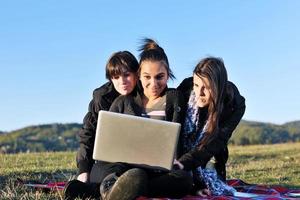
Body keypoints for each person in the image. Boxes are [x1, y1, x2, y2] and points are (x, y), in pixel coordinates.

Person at [95, 38, 193, 200]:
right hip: (123, 168)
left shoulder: (174, 98)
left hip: (159, 171)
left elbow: (179, 140)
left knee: (184, 180)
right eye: (147, 77)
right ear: (139, 75)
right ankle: (118, 187)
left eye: (159, 77)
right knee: (126, 173)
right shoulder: (124, 101)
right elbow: (109, 141)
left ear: (168, 75)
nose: (153, 84)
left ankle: (125, 190)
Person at [64, 50, 139, 200]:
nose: (122, 81)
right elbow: (88, 133)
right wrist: (84, 170)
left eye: (127, 75)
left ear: (137, 73)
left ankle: (97, 190)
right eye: (116, 77)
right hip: (110, 161)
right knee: (111, 173)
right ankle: (101, 189)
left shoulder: (147, 92)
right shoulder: (102, 97)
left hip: (139, 159)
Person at [175, 57, 246, 196]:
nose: (198, 93)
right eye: (196, 85)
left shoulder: (235, 105)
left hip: (209, 153)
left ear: (218, 86)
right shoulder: (185, 88)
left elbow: (217, 141)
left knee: (207, 182)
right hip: (179, 152)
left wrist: (184, 163)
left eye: (206, 87)